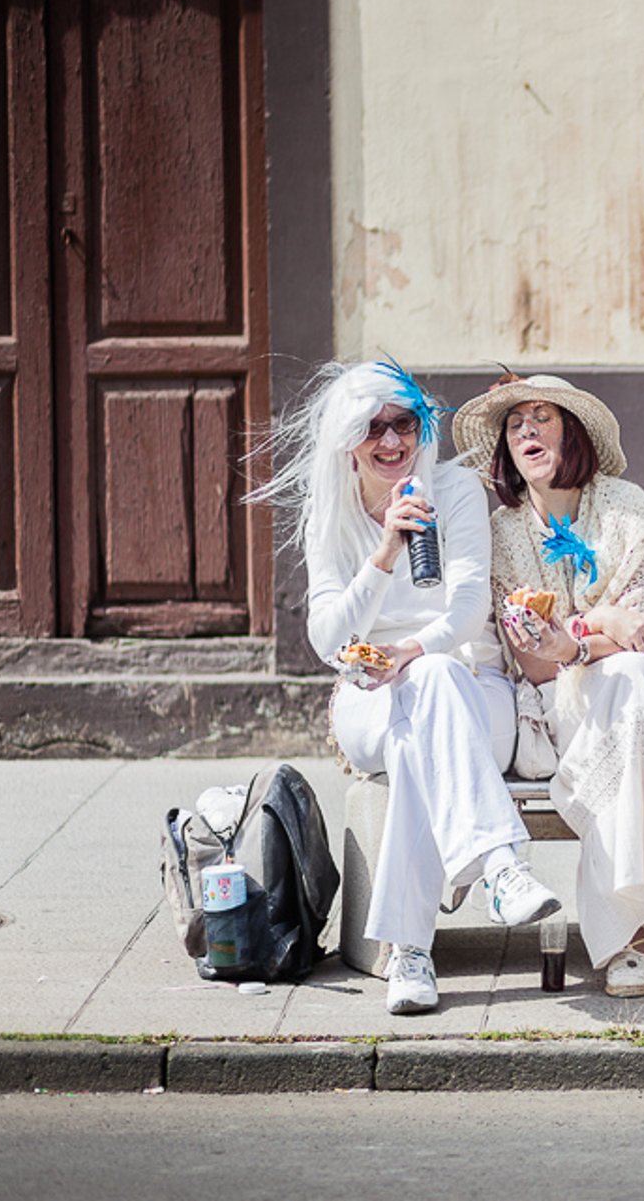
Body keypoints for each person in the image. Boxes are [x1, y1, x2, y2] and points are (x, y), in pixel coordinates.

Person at [248, 359, 560, 1015]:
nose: (392, 441)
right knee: (419, 702)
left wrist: (413, 651)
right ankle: (499, 865)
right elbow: (329, 638)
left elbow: (470, 608)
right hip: (365, 696)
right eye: (373, 428)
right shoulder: (331, 513)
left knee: (429, 703)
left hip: (472, 684)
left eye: (404, 423)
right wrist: (386, 549)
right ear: (347, 441)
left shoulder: (454, 488)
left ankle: (411, 954)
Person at [452, 374, 644, 998]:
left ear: (574, 432)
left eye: (542, 418)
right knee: (619, 691)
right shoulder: (506, 532)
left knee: (630, 675)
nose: (528, 432)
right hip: (562, 712)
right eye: (515, 426)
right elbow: (532, 660)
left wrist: (577, 641)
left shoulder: (626, 508)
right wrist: (595, 626)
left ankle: (630, 941)